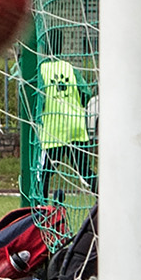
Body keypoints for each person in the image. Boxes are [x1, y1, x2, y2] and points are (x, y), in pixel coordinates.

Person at [36, 55, 96, 197]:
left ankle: (40, 210)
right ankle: (105, 202)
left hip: (54, 131)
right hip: (76, 127)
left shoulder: (40, 70)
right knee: (85, 172)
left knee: (42, 174)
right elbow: (85, 93)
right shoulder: (70, 68)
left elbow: (38, 100)